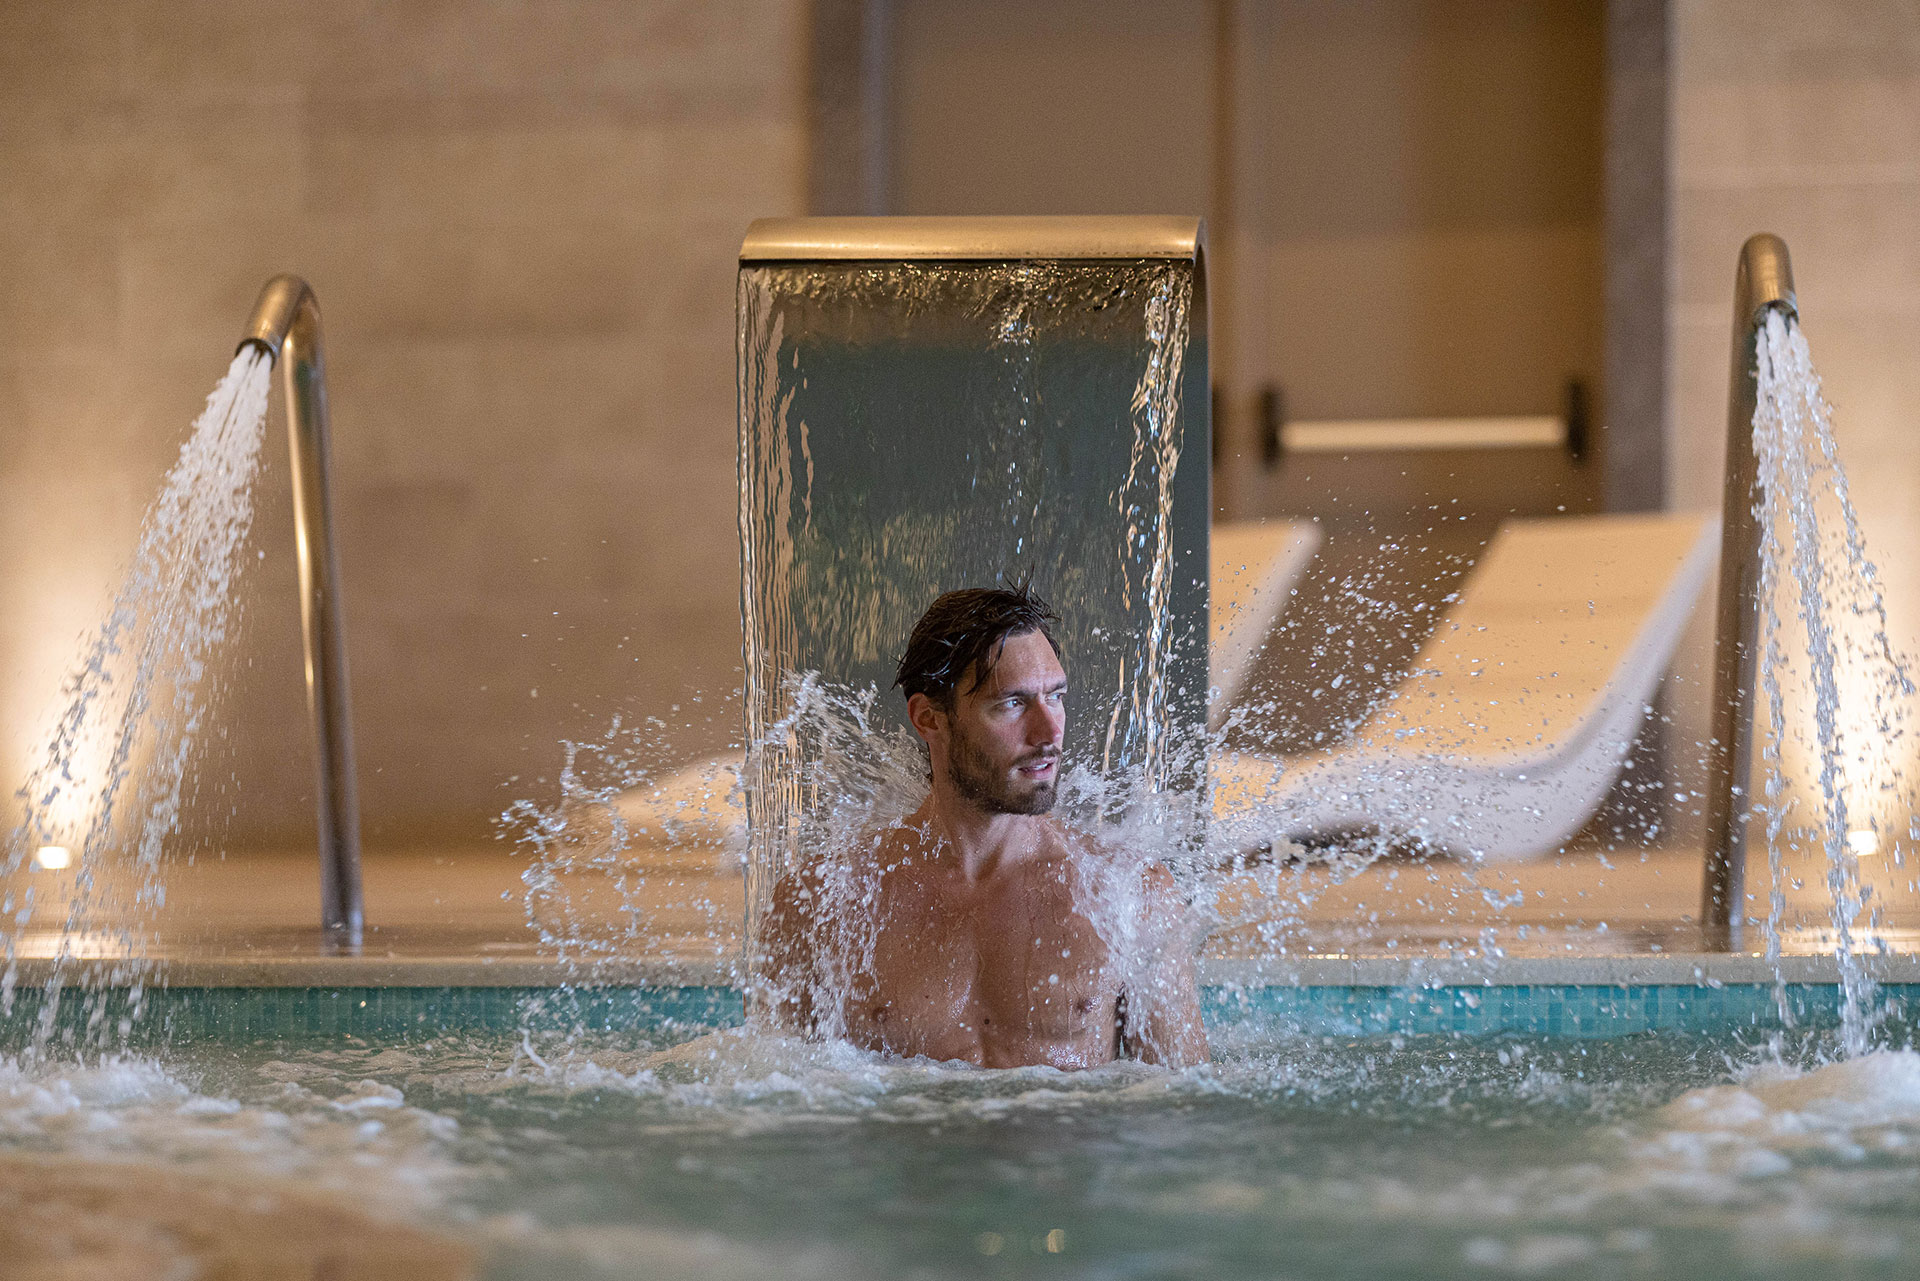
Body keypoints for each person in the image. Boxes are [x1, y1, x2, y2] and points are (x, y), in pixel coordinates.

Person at [758, 585, 1208, 1069]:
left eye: (1056, 697)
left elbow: (1183, 1107)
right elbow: (786, 1110)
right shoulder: (827, 905)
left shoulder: (1128, 895)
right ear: (929, 718)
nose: (1049, 733)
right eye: (1012, 704)